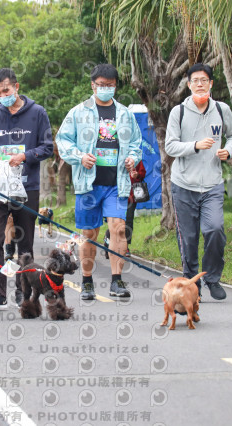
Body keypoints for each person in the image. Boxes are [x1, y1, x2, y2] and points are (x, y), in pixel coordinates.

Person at [56, 63, 142, 300]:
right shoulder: (78, 112)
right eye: (101, 85)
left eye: (110, 85)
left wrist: (132, 158)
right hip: (88, 184)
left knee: (118, 229)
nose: (106, 89)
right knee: (89, 233)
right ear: (93, 85)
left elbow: (136, 143)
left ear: (116, 86)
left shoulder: (125, 114)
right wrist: (79, 156)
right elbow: (63, 141)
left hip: (117, 183)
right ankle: (87, 281)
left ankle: (116, 281)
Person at [164, 63, 232, 300]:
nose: (199, 84)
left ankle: (212, 278)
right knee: (188, 237)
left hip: (212, 184)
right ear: (188, 85)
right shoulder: (179, 112)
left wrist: (228, 150)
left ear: (211, 84)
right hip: (183, 184)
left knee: (215, 229)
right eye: (195, 80)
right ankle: (190, 281)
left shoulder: (221, 109)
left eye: (204, 80)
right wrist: (195, 146)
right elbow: (170, 146)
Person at [0, 68, 54, 310]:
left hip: (27, 186)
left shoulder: (37, 113)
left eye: (6, 90)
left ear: (16, 87)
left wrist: (25, 155)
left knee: (25, 243)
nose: (3, 95)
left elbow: (47, 147)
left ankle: (24, 291)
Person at [104, 160, 146, 258]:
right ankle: (108, 240)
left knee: (128, 222)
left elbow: (142, 173)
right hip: (115, 195)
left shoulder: (135, 157)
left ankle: (125, 246)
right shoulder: (114, 156)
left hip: (130, 197)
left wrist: (137, 175)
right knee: (115, 222)